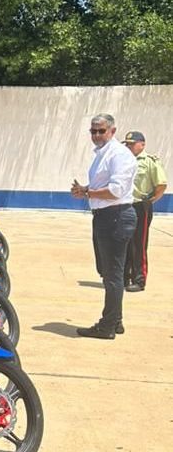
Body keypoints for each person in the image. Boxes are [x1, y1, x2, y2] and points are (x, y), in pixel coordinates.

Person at [72, 114, 137, 339]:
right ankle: (115, 320)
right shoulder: (104, 154)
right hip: (106, 216)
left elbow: (117, 190)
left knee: (113, 275)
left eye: (101, 131)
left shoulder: (119, 154)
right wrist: (86, 189)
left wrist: (88, 192)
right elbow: (104, 185)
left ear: (112, 130)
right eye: (93, 131)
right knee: (108, 272)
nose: (96, 135)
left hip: (115, 217)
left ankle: (107, 325)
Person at [122, 131, 168, 292]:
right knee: (123, 242)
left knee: (138, 244)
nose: (128, 147)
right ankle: (124, 277)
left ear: (142, 144)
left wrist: (151, 201)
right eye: (126, 144)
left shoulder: (150, 161)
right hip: (124, 205)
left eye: (131, 143)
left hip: (140, 206)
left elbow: (161, 184)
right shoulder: (124, 160)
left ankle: (139, 279)